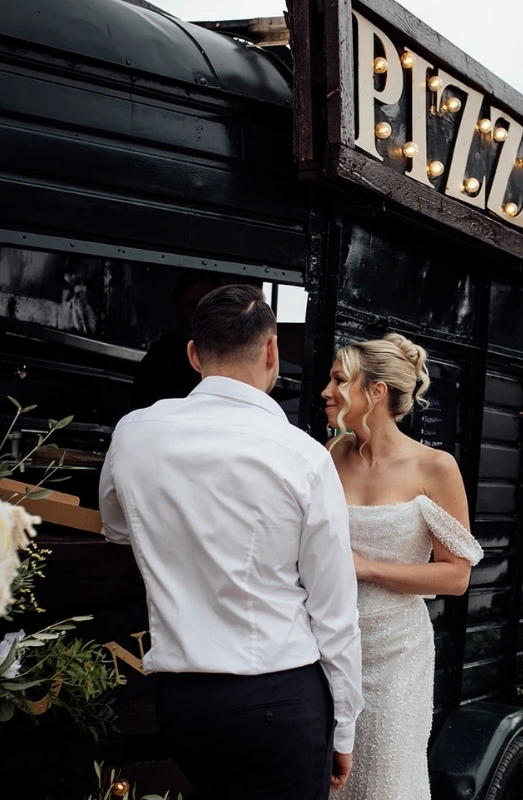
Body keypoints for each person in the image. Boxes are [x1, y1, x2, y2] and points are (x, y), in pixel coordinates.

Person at [100, 284, 363, 799]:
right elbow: (334, 610)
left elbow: (116, 526)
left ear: (193, 355)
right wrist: (345, 726)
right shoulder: (304, 456)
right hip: (278, 696)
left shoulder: (134, 433)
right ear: (272, 351)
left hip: (183, 706)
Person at [320, 333, 484, 800]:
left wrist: (365, 567)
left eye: (339, 380)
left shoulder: (435, 467)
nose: (326, 392)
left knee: (385, 781)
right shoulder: (330, 453)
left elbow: (457, 576)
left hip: (396, 655)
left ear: (375, 391)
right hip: (328, 645)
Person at [130, 270, 222, 410]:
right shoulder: (161, 357)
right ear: (179, 309)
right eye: (193, 304)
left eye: (207, 305)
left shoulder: (237, 352)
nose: (201, 312)